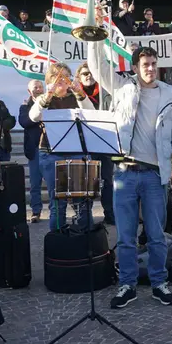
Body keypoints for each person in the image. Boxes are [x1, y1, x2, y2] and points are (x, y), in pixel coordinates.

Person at [87, 42, 172, 308]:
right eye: (145, 65)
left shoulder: (170, 94)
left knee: (156, 235)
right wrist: (94, 37)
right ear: (135, 68)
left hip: (156, 174)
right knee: (125, 236)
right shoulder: (123, 87)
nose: (151, 69)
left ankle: (159, 283)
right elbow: (97, 68)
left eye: (154, 64)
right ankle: (127, 285)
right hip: (125, 171)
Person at [29, 63, 93, 232]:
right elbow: (33, 116)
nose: (62, 80)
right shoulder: (45, 98)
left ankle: (84, 242)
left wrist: (79, 92)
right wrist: (48, 94)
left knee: (82, 201)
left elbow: (91, 113)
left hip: (76, 151)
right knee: (58, 203)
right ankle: (58, 243)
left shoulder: (75, 96)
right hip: (51, 153)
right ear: (50, 80)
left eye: (65, 76)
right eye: (57, 76)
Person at [74, 62, 115, 224]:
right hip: (83, 144)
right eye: (84, 73)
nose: (88, 75)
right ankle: (86, 218)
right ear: (79, 77)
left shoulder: (105, 93)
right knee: (86, 182)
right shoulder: (74, 94)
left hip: (104, 143)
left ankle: (110, 214)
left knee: (107, 181)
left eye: (91, 72)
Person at [18, 79, 45, 223]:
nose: (39, 89)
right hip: (34, 149)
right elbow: (24, 122)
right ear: (30, 91)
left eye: (41, 86)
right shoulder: (25, 106)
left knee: (54, 182)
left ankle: (57, 210)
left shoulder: (50, 102)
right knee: (35, 184)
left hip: (50, 148)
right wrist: (37, 114)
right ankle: (36, 211)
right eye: (36, 87)